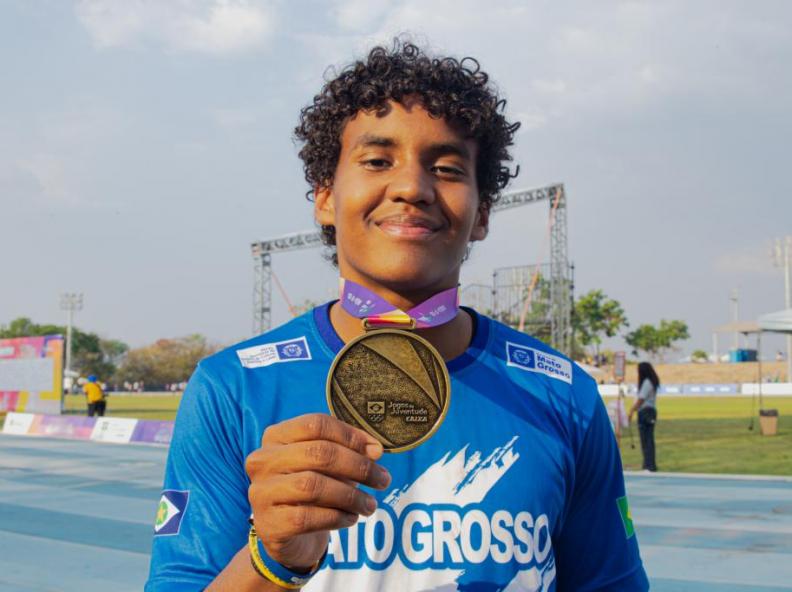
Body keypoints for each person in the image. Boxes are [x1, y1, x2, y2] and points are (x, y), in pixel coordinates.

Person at [146, 40, 648, 591]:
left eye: (447, 168)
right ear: (325, 197)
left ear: (482, 213)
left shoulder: (565, 394)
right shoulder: (233, 388)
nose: (411, 187)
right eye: (377, 161)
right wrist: (273, 560)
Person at [629, 362, 659, 472]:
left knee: (646, 440)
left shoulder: (647, 382)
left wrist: (631, 411)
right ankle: (649, 464)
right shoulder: (651, 382)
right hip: (650, 411)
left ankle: (649, 465)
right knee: (648, 439)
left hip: (645, 412)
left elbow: (641, 399)